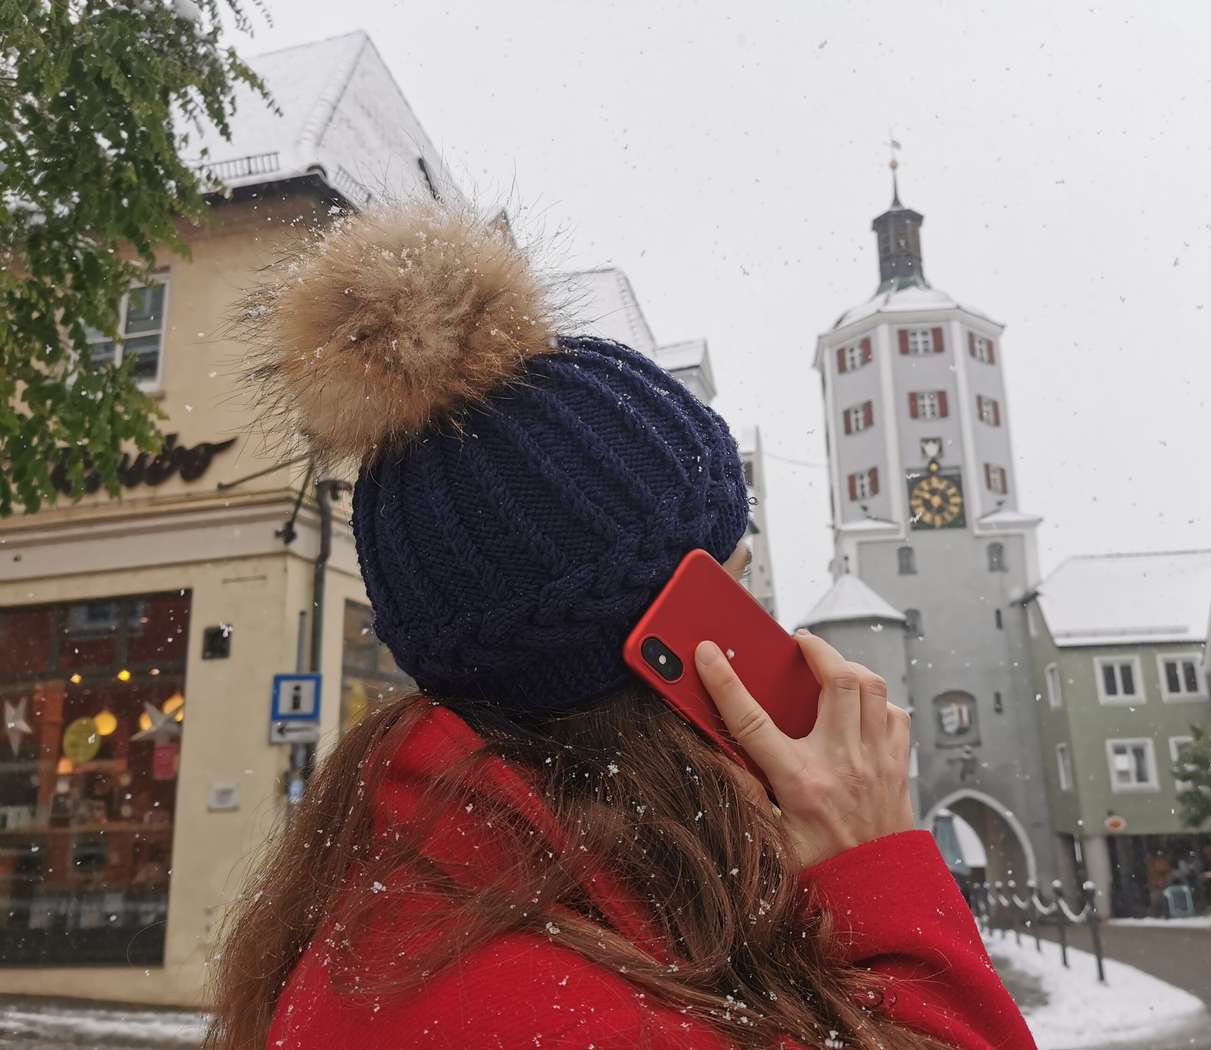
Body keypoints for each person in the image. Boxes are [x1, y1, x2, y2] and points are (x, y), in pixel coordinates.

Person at [205, 202, 1035, 1050]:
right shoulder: (551, 1011)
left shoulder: (458, 905)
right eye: (738, 597)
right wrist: (879, 864)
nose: (774, 644)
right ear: (664, 652)